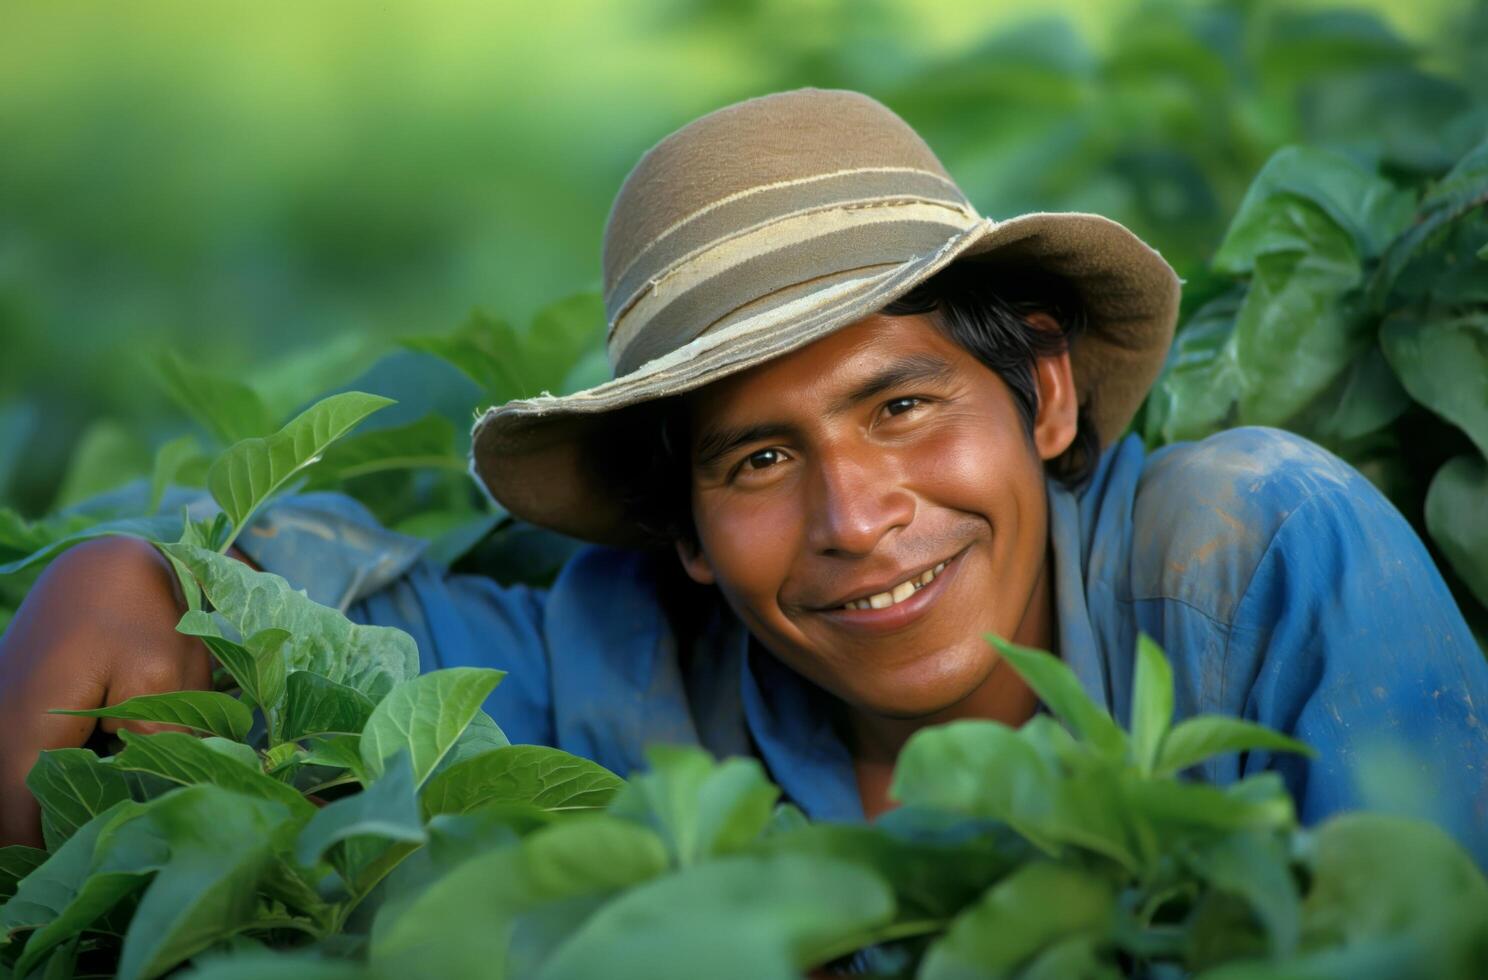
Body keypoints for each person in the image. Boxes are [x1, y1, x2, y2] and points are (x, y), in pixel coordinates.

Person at [2, 89, 1485, 862]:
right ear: (689, 534)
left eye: (903, 404)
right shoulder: (637, 673)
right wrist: (118, 574)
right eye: (761, 458)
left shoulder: (1252, 551)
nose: (855, 519)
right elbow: (306, 625)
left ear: (1040, 388)